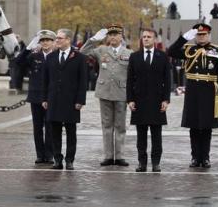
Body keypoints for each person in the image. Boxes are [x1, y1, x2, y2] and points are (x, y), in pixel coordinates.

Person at [167, 23, 218, 169]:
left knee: (206, 127)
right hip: (193, 92)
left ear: (209, 35)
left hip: (209, 92)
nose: (201, 37)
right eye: (198, 35)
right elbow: (171, 51)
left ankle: (205, 157)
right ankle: (194, 157)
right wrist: (184, 38)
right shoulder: (189, 50)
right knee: (193, 126)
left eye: (204, 34)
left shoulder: (215, 51)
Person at [80, 24, 132, 167]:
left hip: (121, 92)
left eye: (116, 34)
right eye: (111, 35)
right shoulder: (101, 50)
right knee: (107, 125)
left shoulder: (129, 53)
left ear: (121, 36)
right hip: (104, 92)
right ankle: (108, 156)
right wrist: (93, 40)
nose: (113, 37)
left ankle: (120, 156)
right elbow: (82, 53)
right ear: (107, 37)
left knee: (120, 126)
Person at [42, 29, 88, 170]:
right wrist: (44, 98)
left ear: (68, 40)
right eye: (56, 38)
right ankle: (57, 159)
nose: (57, 40)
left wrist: (80, 100)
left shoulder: (79, 57)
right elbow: (45, 80)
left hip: (71, 100)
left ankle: (69, 160)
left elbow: (83, 81)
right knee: (54, 131)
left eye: (60, 38)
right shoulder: (51, 57)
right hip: (54, 99)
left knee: (70, 132)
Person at [127, 28, 170, 172]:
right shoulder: (135, 57)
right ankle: (142, 163)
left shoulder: (163, 56)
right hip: (139, 101)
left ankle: (156, 162)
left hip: (157, 101)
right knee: (141, 135)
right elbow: (129, 80)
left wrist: (166, 99)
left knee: (156, 135)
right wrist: (130, 99)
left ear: (155, 40)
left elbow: (167, 80)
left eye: (149, 37)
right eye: (144, 37)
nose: (145, 39)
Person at [15, 29, 56, 164]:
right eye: (42, 41)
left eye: (47, 40)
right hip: (36, 96)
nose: (45, 43)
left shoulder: (56, 56)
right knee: (37, 127)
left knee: (50, 127)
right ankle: (40, 154)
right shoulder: (34, 56)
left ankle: (49, 154)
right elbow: (18, 62)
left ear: (53, 42)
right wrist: (27, 48)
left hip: (51, 97)